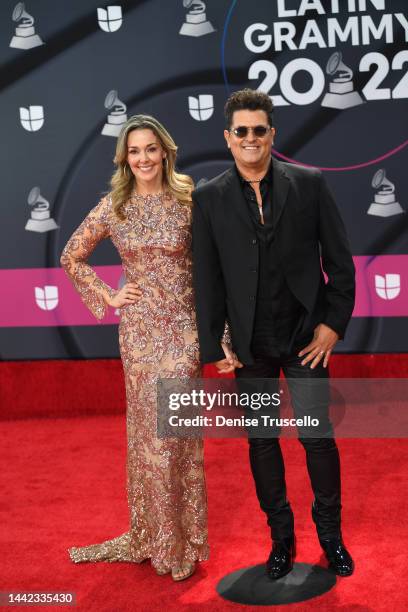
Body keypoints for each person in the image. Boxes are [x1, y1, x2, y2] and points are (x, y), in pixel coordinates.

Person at [192, 89, 356, 579]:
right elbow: (208, 278)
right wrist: (214, 344)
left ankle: (332, 537)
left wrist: (332, 325)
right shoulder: (208, 198)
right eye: (240, 130)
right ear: (227, 137)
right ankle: (280, 540)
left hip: (306, 338)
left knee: (317, 438)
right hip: (249, 346)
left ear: (272, 135)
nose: (250, 138)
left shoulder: (309, 184)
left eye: (258, 129)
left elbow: (341, 263)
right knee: (262, 441)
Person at [60, 114, 209, 581]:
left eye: (151, 148)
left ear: (165, 151)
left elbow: (213, 267)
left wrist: (220, 335)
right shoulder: (115, 206)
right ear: (124, 158)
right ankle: (155, 537)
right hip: (141, 335)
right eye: (134, 151)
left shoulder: (190, 200)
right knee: (150, 438)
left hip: (183, 332)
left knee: (176, 435)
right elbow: (72, 255)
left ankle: (179, 543)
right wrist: (109, 294)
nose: (143, 158)